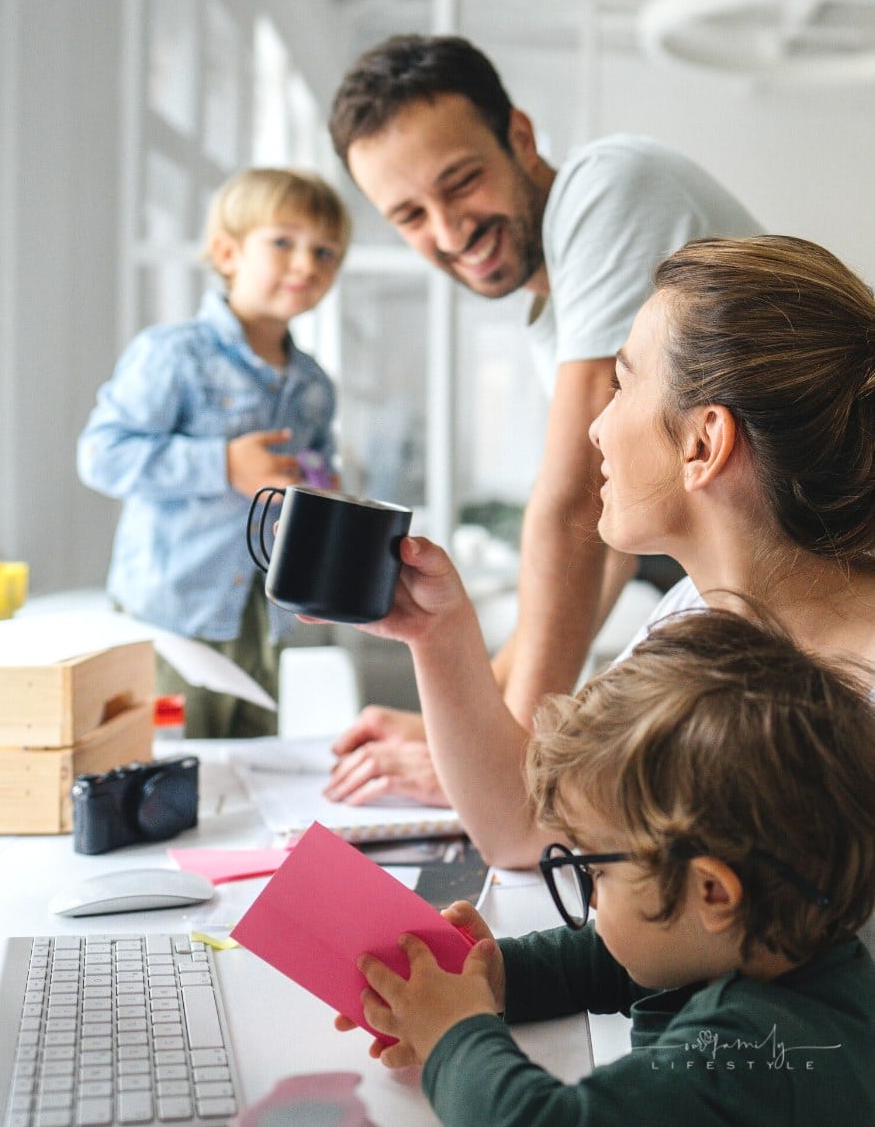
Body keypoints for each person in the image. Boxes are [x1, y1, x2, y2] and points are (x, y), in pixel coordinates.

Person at [317, 235, 874, 865]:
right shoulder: (689, 614)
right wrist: (439, 634)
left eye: (621, 384)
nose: (596, 427)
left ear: (703, 442)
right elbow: (528, 827)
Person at [325, 33, 762, 807]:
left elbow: (570, 509)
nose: (450, 229)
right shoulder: (549, 312)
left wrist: (506, 765)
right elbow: (610, 544)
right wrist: (470, 722)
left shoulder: (605, 189)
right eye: (411, 215)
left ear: (519, 138)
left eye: (461, 183)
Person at [345, 610, 875, 1127]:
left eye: (597, 872)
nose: (592, 898)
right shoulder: (778, 945)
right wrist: (496, 974)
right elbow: (625, 958)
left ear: (713, 892)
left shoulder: (755, 1057)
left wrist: (452, 1032)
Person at [77, 167, 350, 737]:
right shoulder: (173, 355)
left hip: (263, 612)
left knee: (253, 763)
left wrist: (325, 499)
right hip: (172, 615)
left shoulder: (315, 385)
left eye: (325, 252)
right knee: (172, 765)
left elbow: (319, 477)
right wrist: (223, 465)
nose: (307, 264)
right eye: (283, 242)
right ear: (227, 253)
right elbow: (103, 453)